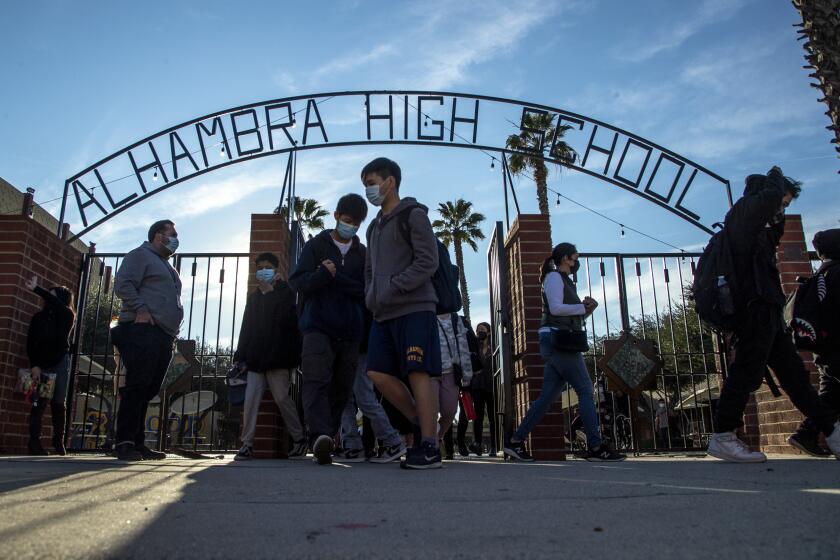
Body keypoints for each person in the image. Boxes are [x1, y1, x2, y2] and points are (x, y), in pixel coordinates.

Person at [708, 167, 840, 462]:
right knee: (745, 373)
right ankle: (723, 434)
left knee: (794, 376)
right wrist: (777, 177)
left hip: (767, 308)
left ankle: (832, 431)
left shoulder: (761, 226)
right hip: (753, 308)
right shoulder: (744, 215)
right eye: (784, 202)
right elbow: (767, 201)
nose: (784, 209)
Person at [503, 243, 625, 462]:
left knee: (546, 398)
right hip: (557, 340)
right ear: (565, 258)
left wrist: (587, 310)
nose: (576, 262)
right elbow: (556, 308)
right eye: (574, 258)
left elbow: (565, 315)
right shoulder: (553, 278)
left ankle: (515, 442)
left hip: (560, 338)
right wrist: (581, 307)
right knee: (586, 390)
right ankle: (596, 447)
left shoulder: (564, 280)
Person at [361, 157, 444, 469]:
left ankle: (429, 447)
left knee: (417, 371)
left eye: (371, 182)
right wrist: (372, 295)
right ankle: (425, 426)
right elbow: (369, 270)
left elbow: (428, 261)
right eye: (366, 184)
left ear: (389, 181)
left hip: (415, 307)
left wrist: (395, 285)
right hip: (382, 313)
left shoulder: (414, 214)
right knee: (377, 373)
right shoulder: (373, 227)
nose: (369, 190)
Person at [289, 194, 368, 465]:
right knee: (315, 381)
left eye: (355, 224)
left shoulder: (362, 253)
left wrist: (335, 279)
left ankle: (329, 434)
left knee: (342, 387)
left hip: (350, 331)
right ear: (336, 216)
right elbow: (298, 282)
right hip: (317, 327)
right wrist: (322, 275)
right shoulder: (316, 246)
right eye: (347, 221)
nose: (350, 227)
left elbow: (366, 290)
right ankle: (320, 436)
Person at [112, 219, 183, 461]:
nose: (175, 238)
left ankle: (138, 442)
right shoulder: (140, 255)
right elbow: (122, 284)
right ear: (157, 235)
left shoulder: (167, 266)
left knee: (149, 389)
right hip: (142, 330)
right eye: (171, 233)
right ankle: (124, 442)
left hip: (162, 335)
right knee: (137, 385)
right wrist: (141, 309)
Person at [233, 252, 306, 461]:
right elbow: (246, 327)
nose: (263, 271)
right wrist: (240, 355)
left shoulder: (287, 293)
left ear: (276, 271)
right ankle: (246, 444)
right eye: (260, 267)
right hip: (256, 358)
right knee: (250, 400)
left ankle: (299, 439)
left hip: (279, 356)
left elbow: (289, 322)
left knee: (282, 398)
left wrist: (271, 295)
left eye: (267, 267)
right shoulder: (254, 298)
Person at [788, 228, 840, 458]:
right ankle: (808, 433)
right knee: (831, 392)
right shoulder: (837, 273)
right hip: (837, 344)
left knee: (831, 393)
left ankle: (807, 433)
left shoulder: (821, 275)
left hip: (825, 346)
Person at [337, 312, 407, 463]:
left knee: (360, 397)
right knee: (351, 397)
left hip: (356, 341)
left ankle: (391, 441)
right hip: (359, 341)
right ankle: (356, 444)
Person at [24, 276, 75, 456]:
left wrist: (38, 289)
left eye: (52, 296)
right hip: (42, 365)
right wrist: (35, 365)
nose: (48, 299)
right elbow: (31, 342)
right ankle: (34, 442)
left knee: (58, 403)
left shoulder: (67, 315)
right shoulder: (39, 318)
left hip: (60, 362)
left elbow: (58, 306)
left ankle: (58, 441)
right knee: (39, 403)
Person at [435, 312, 474, 458]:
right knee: (429, 410)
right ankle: (431, 443)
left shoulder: (455, 319)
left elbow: (463, 346)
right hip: (429, 372)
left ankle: (438, 436)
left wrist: (467, 374)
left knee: (450, 411)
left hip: (451, 371)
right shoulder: (425, 313)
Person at [459, 321, 497, 457]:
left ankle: (494, 446)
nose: (479, 332)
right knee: (478, 416)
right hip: (477, 384)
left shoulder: (495, 344)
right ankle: (478, 444)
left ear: (489, 331)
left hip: (492, 383)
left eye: (482, 329)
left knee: (493, 416)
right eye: (477, 330)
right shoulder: (475, 346)